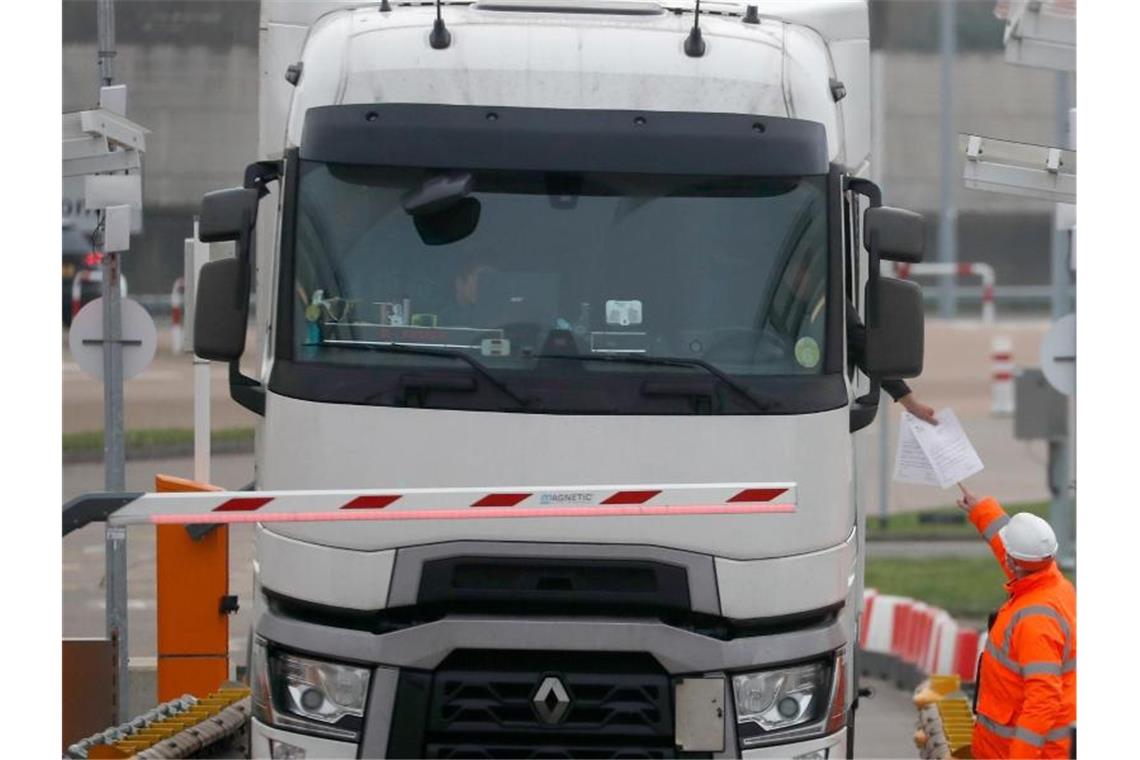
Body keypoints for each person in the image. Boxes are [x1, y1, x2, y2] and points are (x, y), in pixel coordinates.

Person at [956, 485, 1076, 759]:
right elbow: (1010, 549)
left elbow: (1042, 700)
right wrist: (982, 510)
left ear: (1015, 563)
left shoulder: (1036, 622)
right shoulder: (1051, 581)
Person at [845, 301, 937, 424]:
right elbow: (859, 344)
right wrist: (911, 404)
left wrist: (911, 404)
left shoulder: (824, 289)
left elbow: (860, 345)